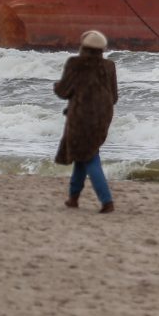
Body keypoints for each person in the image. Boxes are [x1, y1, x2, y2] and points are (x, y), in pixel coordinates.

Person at [54, 29, 118, 214]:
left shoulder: (75, 63)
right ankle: (73, 198)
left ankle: (107, 201)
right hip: (103, 117)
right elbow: (113, 96)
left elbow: (63, 91)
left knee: (89, 157)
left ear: (83, 45)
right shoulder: (109, 66)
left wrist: (56, 86)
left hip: (81, 117)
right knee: (83, 154)